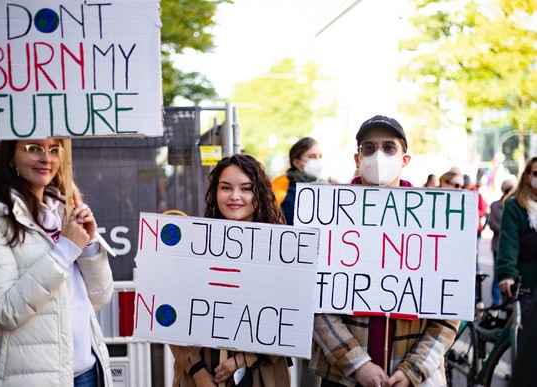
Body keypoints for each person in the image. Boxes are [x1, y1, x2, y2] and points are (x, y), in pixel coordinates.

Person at [309, 115, 459, 387]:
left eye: (389, 147)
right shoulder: (329, 215)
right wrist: (357, 364)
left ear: (405, 159)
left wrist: (413, 369)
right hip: (343, 377)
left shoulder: (433, 219)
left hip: (412, 375)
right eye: (369, 147)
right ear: (357, 159)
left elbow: (448, 314)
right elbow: (315, 302)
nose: (378, 155)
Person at [0, 139, 113, 386]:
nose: (46, 158)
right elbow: (6, 311)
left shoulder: (64, 209)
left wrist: (89, 244)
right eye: (33, 148)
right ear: (10, 156)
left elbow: (100, 298)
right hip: (30, 378)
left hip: (87, 373)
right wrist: (65, 250)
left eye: (54, 149)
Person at [170, 154, 291, 387]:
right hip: (199, 373)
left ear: (260, 194)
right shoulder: (196, 244)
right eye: (226, 187)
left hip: (261, 374)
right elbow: (174, 311)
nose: (235, 196)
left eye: (246, 189)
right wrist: (198, 372)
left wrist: (242, 360)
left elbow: (291, 320)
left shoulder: (282, 249)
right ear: (215, 191)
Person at [497, 157, 537, 306]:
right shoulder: (514, 205)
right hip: (526, 281)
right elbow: (509, 242)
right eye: (536, 173)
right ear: (528, 176)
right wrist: (507, 274)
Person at [280, 137, 323, 225]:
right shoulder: (287, 192)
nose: (318, 161)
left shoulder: (321, 188)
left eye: (320, 156)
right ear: (297, 163)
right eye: (311, 157)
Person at [487, 178, 516, 306]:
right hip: (498, 246)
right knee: (498, 276)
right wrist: (508, 230)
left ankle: (509, 304)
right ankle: (495, 303)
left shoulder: (517, 204)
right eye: (507, 188)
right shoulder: (495, 205)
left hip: (514, 248)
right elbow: (492, 223)